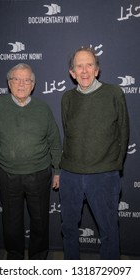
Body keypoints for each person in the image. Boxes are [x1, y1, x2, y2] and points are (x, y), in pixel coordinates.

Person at [0, 63, 62, 260]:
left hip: (39, 174)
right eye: (16, 79)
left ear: (33, 85)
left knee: (40, 222)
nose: (21, 84)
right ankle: (14, 259)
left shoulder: (43, 108)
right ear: (9, 83)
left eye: (27, 80)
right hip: (8, 176)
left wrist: (58, 170)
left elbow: (55, 141)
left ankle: (38, 258)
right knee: (11, 223)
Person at [59, 47, 129, 260]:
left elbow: (123, 132)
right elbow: (68, 132)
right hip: (70, 174)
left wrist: (113, 166)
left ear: (97, 70)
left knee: (109, 230)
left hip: (104, 174)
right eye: (79, 66)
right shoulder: (67, 98)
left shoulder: (114, 93)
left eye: (89, 65)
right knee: (69, 228)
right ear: (72, 73)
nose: (84, 71)